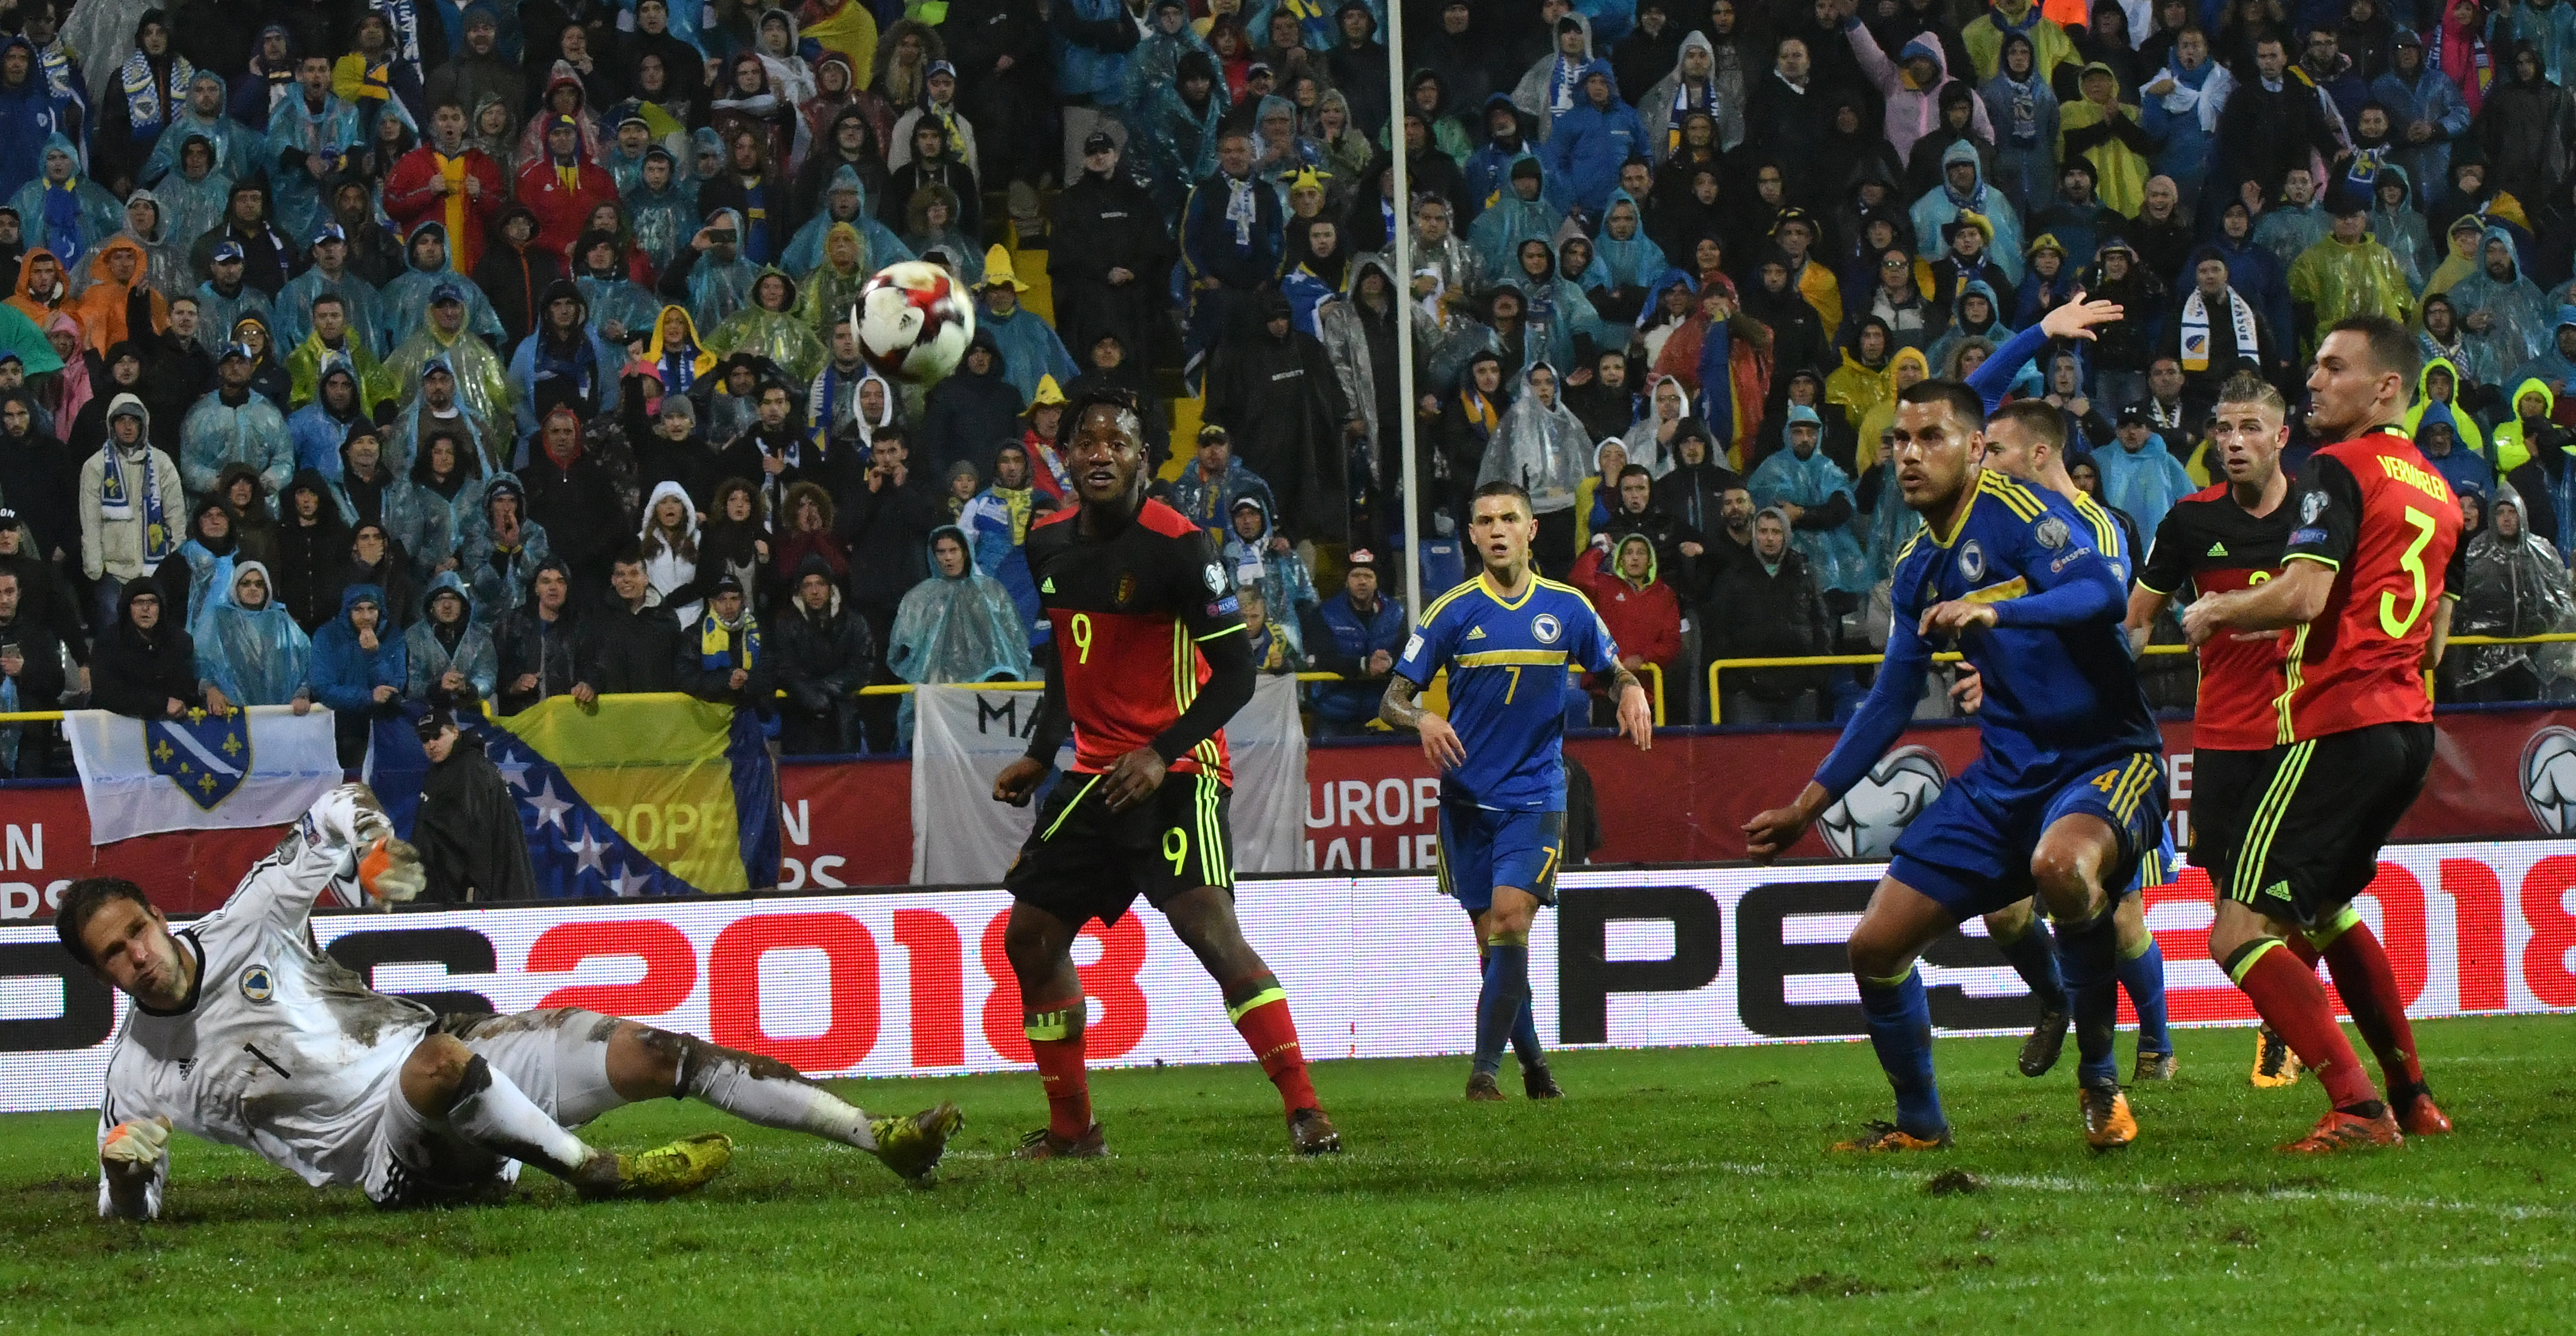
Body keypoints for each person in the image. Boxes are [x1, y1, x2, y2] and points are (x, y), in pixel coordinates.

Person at [67, 784, 961, 1216]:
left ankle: (879, 1137)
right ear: (103, 975)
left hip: (451, 1048)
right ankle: (599, 1173)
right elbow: (128, 1211)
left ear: (158, 917)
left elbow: (336, 805)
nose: (137, 957)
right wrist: (128, 1177)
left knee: (658, 1053)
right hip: (389, 1155)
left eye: (136, 932)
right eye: (114, 956)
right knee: (440, 1066)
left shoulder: (250, 916)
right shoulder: (137, 1075)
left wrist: (370, 847)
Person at [1743, 378, 2163, 1153]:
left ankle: (2100, 1080)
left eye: (1930, 437)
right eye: (1900, 440)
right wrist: (1807, 806)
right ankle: (1919, 1123)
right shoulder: (1915, 568)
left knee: (2060, 866)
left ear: (1974, 449)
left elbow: (2102, 594)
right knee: (1873, 947)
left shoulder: (2023, 512)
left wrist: (1998, 610)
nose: (1909, 454)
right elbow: (1889, 700)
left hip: (2104, 756)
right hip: (2006, 775)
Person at [988, 386, 1338, 1159]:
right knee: (1030, 939)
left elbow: (1236, 674)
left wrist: (1159, 752)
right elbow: (1066, 657)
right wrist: (1043, 752)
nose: (1101, 454)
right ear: (1065, 457)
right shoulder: (1045, 545)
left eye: (1117, 443)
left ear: (1142, 459)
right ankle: (1074, 1133)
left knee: (1207, 929)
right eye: (1087, 442)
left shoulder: (1179, 546)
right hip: (1093, 773)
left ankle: (1305, 1108)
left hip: (1179, 768)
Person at [2178, 315, 2463, 1150]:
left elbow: (2303, 595)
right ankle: (2413, 1098)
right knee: (2330, 911)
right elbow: (2434, 642)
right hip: (2407, 730)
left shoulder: (2334, 467)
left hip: (2336, 724)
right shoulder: (2439, 492)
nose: (2312, 381)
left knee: (2235, 932)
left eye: (2334, 368)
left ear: (2384, 389)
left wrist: (2218, 609)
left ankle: (2357, 1109)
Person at [1382, 479, 1650, 1100]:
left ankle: (1483, 1075)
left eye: (1508, 518)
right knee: (1493, 943)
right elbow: (1392, 698)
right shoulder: (1451, 612)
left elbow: (1611, 668)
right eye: (1485, 521)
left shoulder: (1568, 608)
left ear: (1531, 530)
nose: (1496, 529)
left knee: (1509, 921)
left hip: (1534, 795)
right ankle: (1536, 1071)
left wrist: (1630, 688)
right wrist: (1422, 718)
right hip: (1466, 802)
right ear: (1472, 536)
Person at [2121, 370, 2306, 1086]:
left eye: (2249, 428)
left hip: (2303, 727)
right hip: (2224, 732)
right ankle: (2281, 1012)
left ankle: (2283, 1027)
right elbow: (2137, 620)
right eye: (2223, 429)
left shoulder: (2316, 517)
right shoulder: (2190, 523)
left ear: (2280, 436)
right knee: (2229, 901)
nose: (2233, 442)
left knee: (2295, 893)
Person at [1704, 505, 1834, 722]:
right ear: (1754, 535)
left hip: (1800, 688)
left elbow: (1821, 626)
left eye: (1776, 532)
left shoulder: (1806, 575)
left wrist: (1815, 677)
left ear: (1786, 535)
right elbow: (1718, 630)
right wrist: (1733, 683)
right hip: (1748, 690)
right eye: (1763, 531)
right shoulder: (1733, 576)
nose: (1770, 538)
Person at [78, 393, 184, 634]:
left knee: (159, 628)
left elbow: (176, 514)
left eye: (133, 420)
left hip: (156, 566)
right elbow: (90, 521)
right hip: (113, 570)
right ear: (111, 425)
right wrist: (96, 568)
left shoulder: (162, 463)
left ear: (143, 424)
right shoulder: (95, 466)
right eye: (121, 420)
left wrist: (171, 560)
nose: (127, 427)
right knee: (111, 624)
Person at [410, 709, 536, 903]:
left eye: (437, 735)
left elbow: (474, 837)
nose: (432, 745)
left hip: (477, 894)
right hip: (490, 890)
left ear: (455, 732)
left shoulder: (469, 769)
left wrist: (472, 892)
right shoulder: (449, 769)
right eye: (425, 739)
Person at [1301, 549, 1410, 739]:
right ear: (1346, 580)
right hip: (1333, 713)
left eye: (1368, 576)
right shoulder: (1325, 613)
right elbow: (1324, 658)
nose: (1362, 582)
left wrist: (1389, 662)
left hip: (1380, 712)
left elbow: (1406, 652)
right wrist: (1364, 665)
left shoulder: (1396, 612)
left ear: (1376, 581)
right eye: (1356, 576)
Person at [775, 553, 876, 754]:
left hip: (843, 724)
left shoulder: (854, 622)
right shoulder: (786, 624)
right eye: (808, 585)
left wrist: (825, 688)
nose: (815, 591)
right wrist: (807, 694)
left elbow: (863, 666)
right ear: (799, 590)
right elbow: (784, 667)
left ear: (831, 587)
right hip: (800, 725)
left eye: (820, 584)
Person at [192, 560, 313, 715]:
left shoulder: (283, 622)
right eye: (246, 583)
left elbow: (306, 663)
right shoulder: (219, 619)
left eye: (259, 584)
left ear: (267, 588)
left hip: (279, 715)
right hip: (230, 715)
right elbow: (202, 664)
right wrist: (210, 690)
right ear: (235, 587)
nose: (253, 588)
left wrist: (301, 695)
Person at [308, 584, 408, 767]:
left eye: (372, 609)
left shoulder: (394, 637)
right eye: (358, 610)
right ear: (347, 611)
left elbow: (396, 686)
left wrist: (374, 656)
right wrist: (368, 697)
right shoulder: (327, 636)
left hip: (385, 728)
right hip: (340, 730)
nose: (366, 617)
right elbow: (322, 687)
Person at [0, 561, 64, 775]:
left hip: (31, 739)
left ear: (19, 594)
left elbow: (57, 683)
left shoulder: (39, 635)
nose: (4, 600)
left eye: (9, 592)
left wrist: (25, 671)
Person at [676, 573, 771, 714]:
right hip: (710, 715)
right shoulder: (695, 635)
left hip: (752, 710)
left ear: (743, 601)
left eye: (734, 599)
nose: (729, 606)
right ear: (711, 603)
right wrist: (726, 680)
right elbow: (686, 678)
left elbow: (772, 669)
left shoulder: (758, 631)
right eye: (722, 600)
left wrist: (747, 679)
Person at [406, 572, 497, 710]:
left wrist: (467, 688)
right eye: (440, 599)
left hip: (470, 712)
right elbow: (411, 682)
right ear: (431, 606)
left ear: (463, 604)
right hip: (424, 712)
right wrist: (438, 688)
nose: (447, 605)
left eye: (453, 598)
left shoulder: (480, 636)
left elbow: (487, 677)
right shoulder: (414, 635)